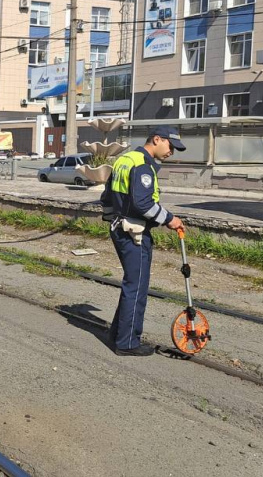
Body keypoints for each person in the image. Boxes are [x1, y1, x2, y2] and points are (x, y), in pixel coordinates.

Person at [100, 125, 186, 356]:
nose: (172, 152)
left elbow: (106, 196)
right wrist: (170, 219)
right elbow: (143, 203)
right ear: (157, 139)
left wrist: (114, 221)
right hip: (134, 231)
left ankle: (118, 333)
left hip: (120, 227)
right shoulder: (143, 165)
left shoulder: (125, 159)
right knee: (136, 286)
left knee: (131, 284)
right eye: (170, 146)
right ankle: (127, 343)